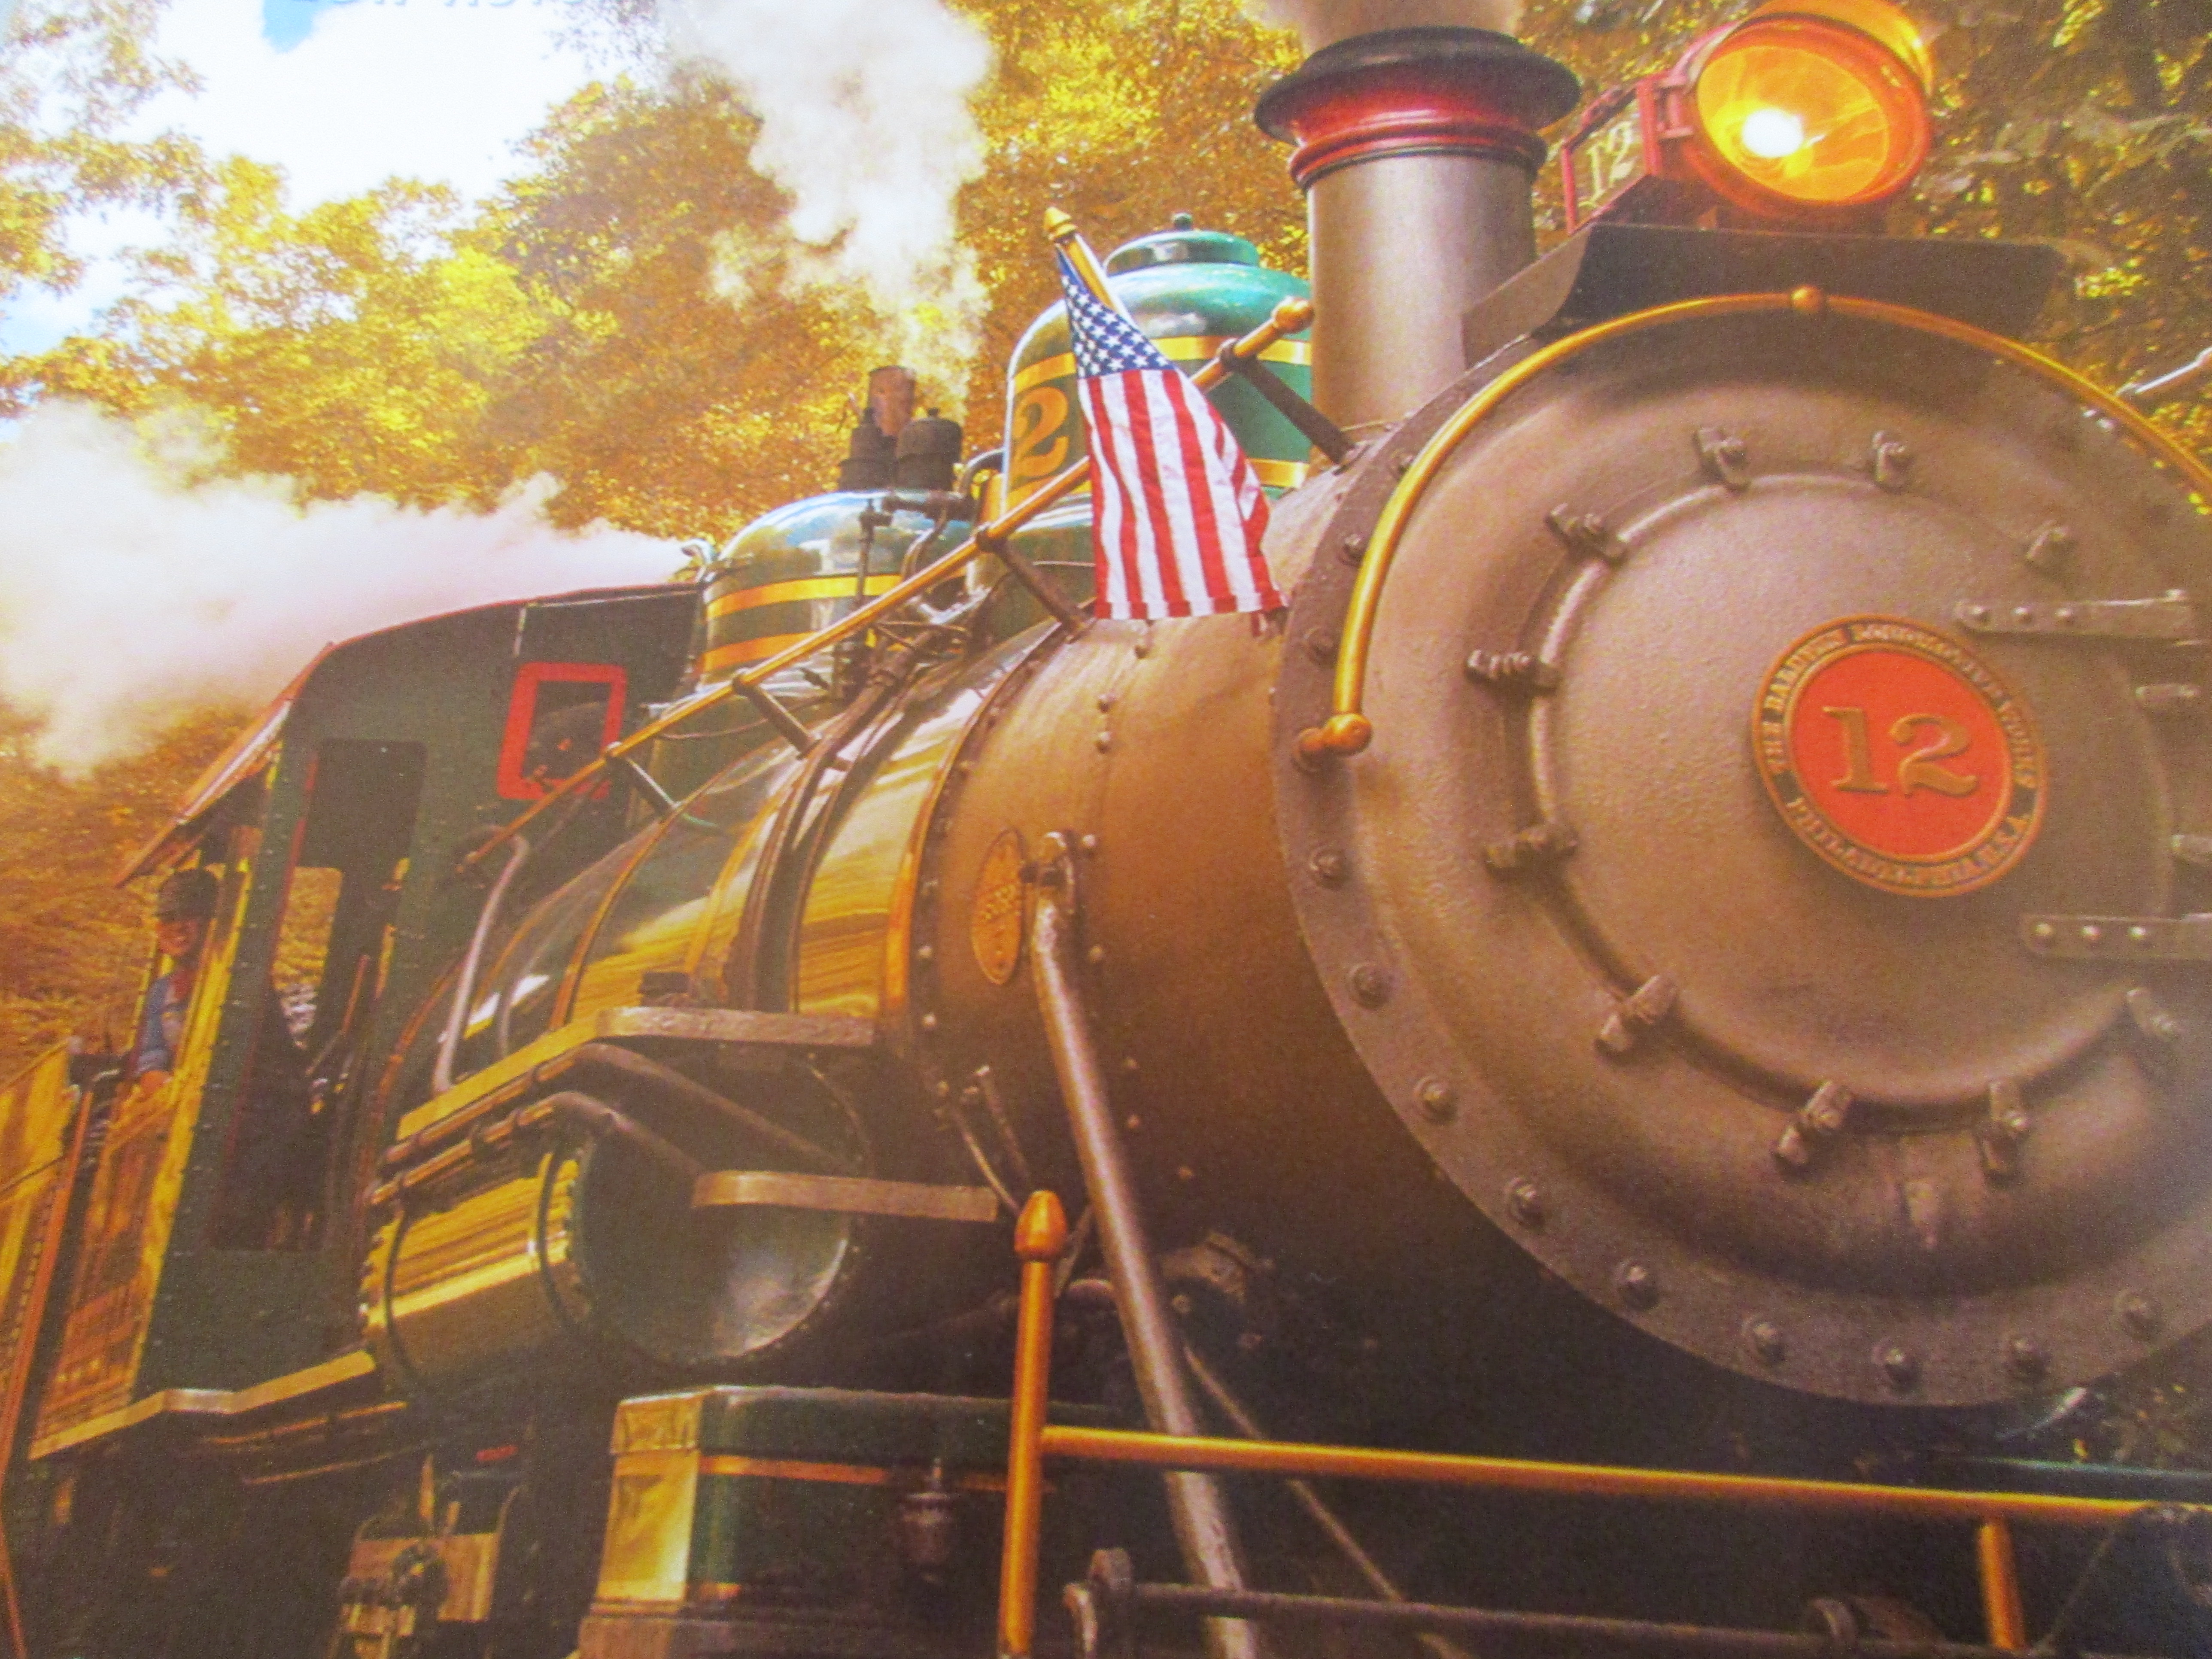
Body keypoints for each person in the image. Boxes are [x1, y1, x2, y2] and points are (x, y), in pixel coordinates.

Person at [131, 867, 220, 1091]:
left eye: (190, 916)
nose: (179, 927)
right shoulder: (161, 992)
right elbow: (152, 1054)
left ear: (211, 923)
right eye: (169, 918)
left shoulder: (230, 982)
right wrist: (158, 1079)